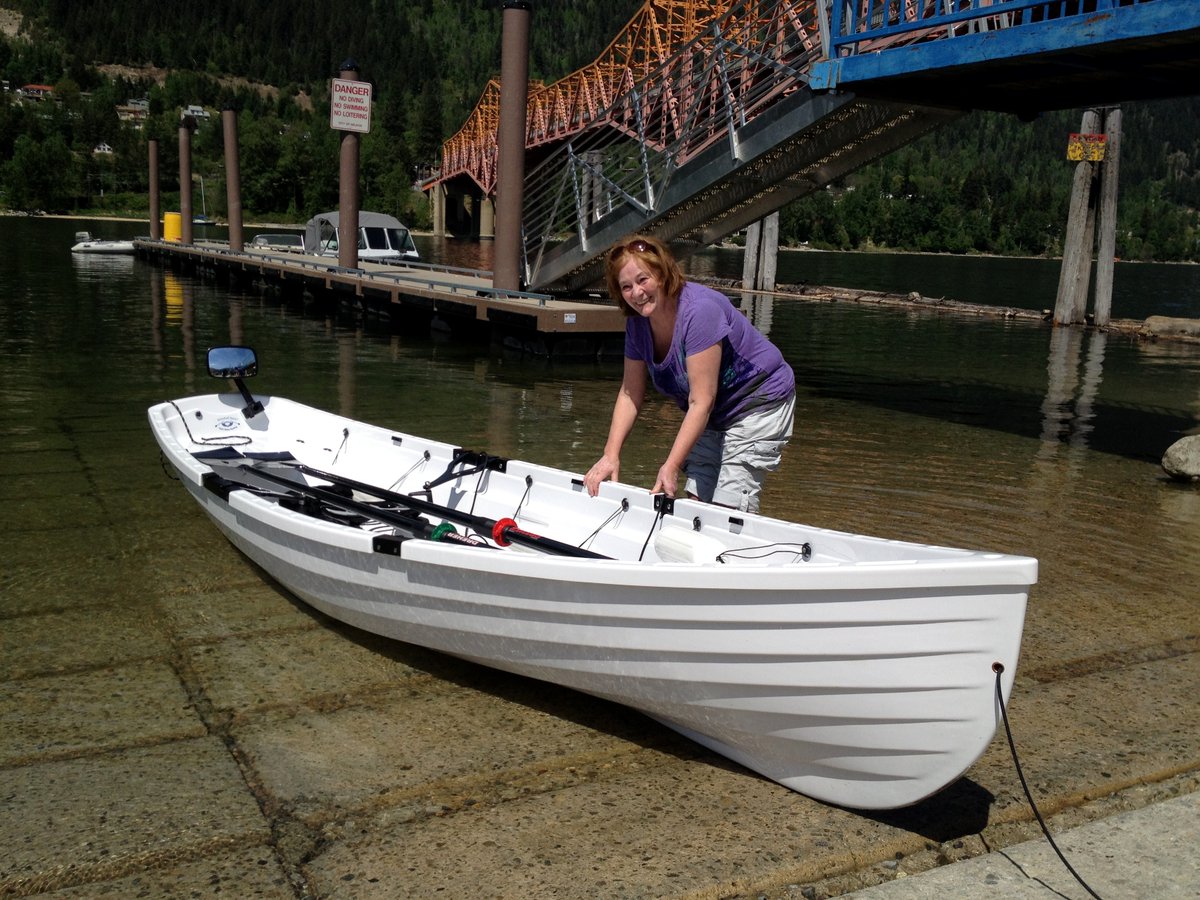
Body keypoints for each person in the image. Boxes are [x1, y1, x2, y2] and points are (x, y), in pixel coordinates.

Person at [584, 235, 796, 514]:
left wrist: (670, 466)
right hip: (715, 410)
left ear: (661, 273)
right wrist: (610, 455)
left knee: (726, 509)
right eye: (626, 286)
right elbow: (629, 393)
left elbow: (701, 401)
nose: (636, 293)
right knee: (696, 501)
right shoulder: (637, 324)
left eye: (643, 280)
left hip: (758, 400)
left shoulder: (698, 312)